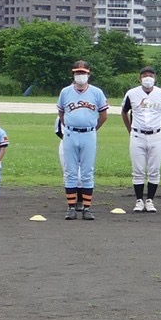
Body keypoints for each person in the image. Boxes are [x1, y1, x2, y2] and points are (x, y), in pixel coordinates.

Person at [54, 60, 107, 219]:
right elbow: (61, 113)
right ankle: (71, 207)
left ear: (88, 74)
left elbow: (103, 116)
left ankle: (86, 208)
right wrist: (70, 126)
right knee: (70, 171)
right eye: (77, 72)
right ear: (73, 74)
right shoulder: (65, 92)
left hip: (89, 133)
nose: (80, 75)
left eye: (83, 72)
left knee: (87, 171)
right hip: (70, 133)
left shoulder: (97, 92)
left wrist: (92, 129)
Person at [122, 67, 161, 212]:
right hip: (137, 134)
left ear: (155, 78)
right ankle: (139, 200)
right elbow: (124, 112)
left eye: (150, 75)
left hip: (156, 135)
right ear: (140, 78)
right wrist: (130, 129)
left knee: (154, 169)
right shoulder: (132, 93)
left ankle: (150, 200)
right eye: (145, 75)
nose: (148, 78)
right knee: (138, 169)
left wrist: (159, 125)